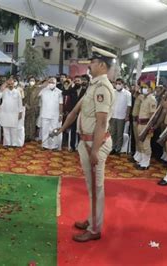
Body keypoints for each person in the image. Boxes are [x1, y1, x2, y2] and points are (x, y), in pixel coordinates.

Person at [51, 46, 115, 242]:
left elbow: (102, 122)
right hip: (85, 143)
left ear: (102, 65)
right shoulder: (93, 86)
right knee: (91, 186)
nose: (90, 66)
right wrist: (62, 129)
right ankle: (92, 218)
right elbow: (76, 111)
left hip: (94, 144)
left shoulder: (103, 87)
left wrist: (95, 150)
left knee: (96, 187)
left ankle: (95, 229)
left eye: (93, 63)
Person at [134, 75, 157, 170]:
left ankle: (146, 162)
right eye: (143, 87)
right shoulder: (144, 98)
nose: (143, 89)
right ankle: (142, 160)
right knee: (141, 143)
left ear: (151, 89)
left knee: (146, 144)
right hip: (140, 123)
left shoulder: (152, 99)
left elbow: (152, 115)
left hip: (146, 124)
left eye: (146, 87)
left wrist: (150, 127)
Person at [62, 76, 87, 151]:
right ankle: (72, 146)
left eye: (78, 80)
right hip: (73, 113)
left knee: (81, 130)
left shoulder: (85, 90)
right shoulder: (72, 90)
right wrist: (70, 86)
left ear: (81, 81)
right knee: (73, 130)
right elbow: (64, 93)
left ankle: (80, 147)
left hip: (82, 113)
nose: (77, 82)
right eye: (75, 81)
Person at [0, 78, 23, 147]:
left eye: (12, 84)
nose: (10, 85)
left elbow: (20, 103)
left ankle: (14, 144)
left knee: (14, 129)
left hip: (14, 113)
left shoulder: (17, 92)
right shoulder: (4, 91)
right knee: (6, 129)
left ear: (14, 84)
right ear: (7, 84)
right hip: (5, 113)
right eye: (9, 84)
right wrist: (1, 89)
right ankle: (7, 143)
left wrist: (20, 112)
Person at [39, 77, 63, 150]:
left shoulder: (59, 92)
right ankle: (44, 145)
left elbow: (61, 104)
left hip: (55, 115)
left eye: (53, 82)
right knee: (45, 130)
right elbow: (37, 95)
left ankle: (54, 146)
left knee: (54, 130)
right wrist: (43, 84)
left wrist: (61, 114)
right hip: (45, 114)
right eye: (50, 82)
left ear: (56, 83)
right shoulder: (43, 91)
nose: (51, 84)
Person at [110, 78, 132, 155]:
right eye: (116, 83)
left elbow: (129, 105)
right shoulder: (113, 92)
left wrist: (127, 115)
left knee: (120, 134)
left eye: (119, 84)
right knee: (112, 133)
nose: (117, 85)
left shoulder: (127, 93)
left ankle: (118, 149)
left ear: (123, 84)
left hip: (121, 116)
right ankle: (113, 147)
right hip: (113, 115)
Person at [24, 77, 42, 142]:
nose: (32, 81)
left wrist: (35, 106)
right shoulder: (26, 89)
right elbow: (23, 98)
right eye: (31, 80)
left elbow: (38, 99)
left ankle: (31, 136)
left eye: (33, 80)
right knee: (26, 122)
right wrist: (26, 105)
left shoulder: (37, 89)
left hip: (34, 108)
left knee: (33, 122)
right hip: (27, 108)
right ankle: (26, 136)